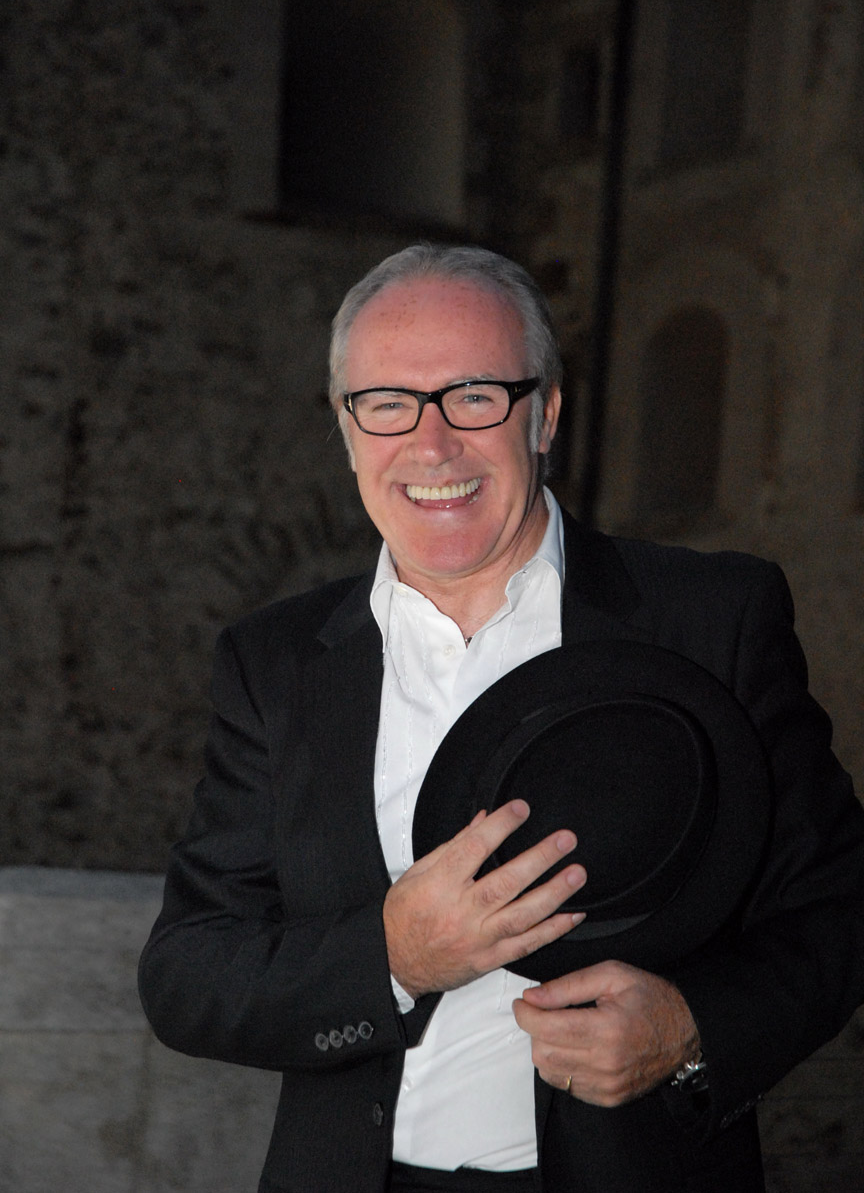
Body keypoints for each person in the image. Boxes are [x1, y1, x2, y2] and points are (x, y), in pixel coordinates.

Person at [139, 243, 864, 1193]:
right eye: (388, 403)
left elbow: (838, 907)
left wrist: (690, 1029)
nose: (432, 444)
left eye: (475, 395)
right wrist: (392, 956)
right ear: (347, 428)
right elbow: (190, 973)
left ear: (545, 413)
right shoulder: (274, 663)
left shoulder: (710, 619)